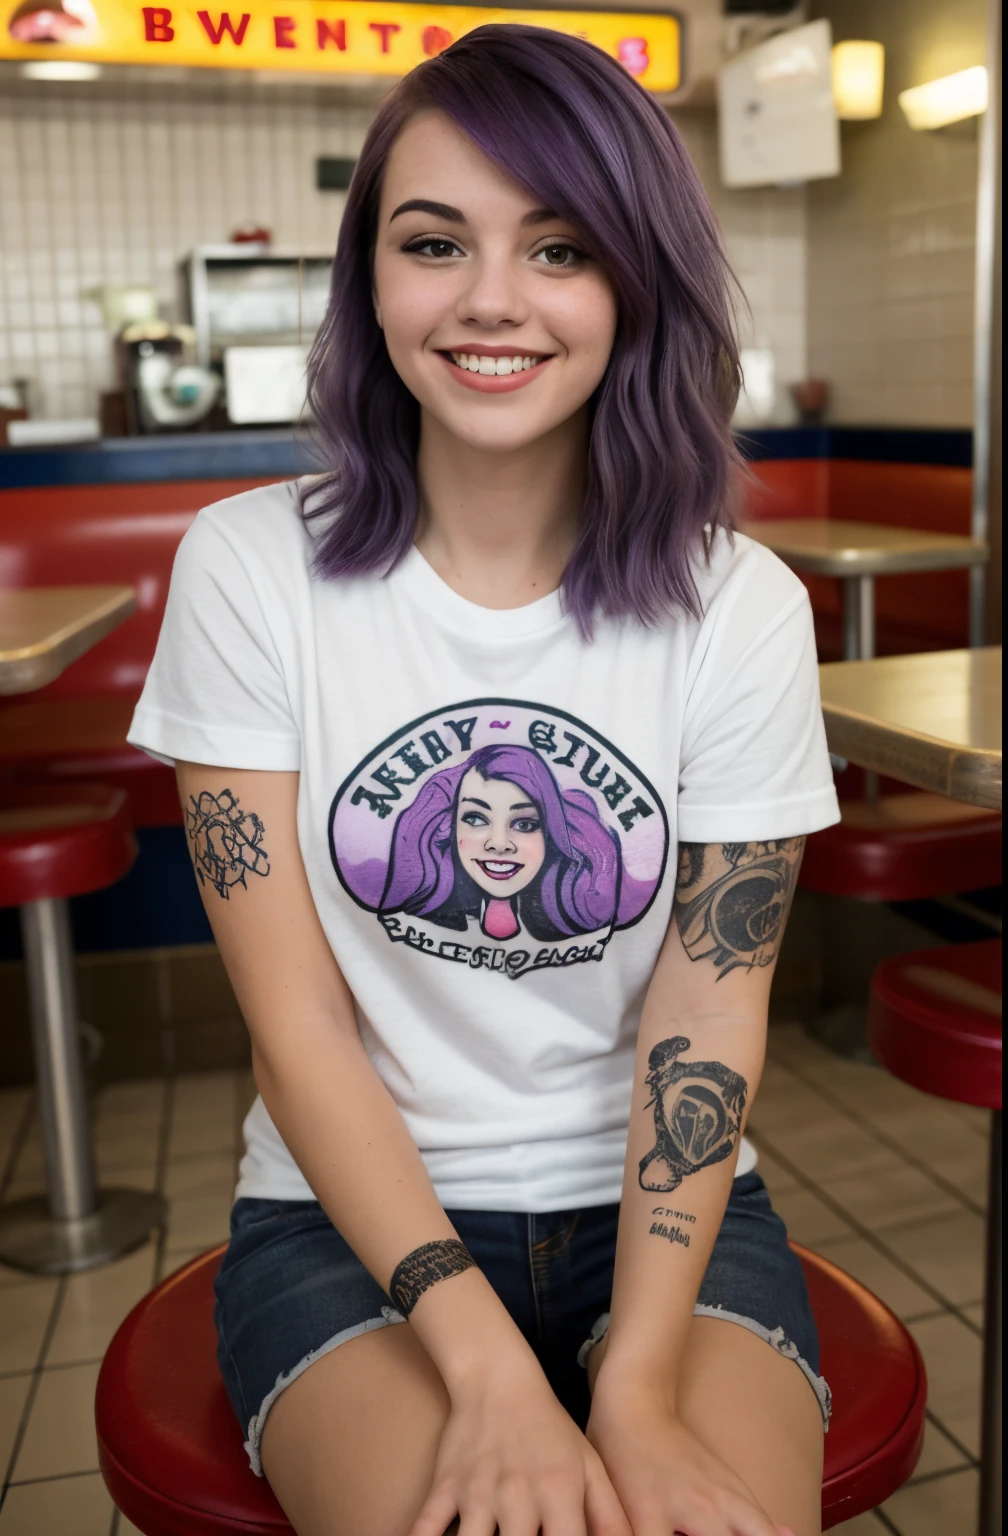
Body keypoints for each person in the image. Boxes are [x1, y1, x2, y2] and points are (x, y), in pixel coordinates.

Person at [129, 24, 840, 1536]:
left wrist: (633, 1379)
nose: (493, 300)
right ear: (369, 281)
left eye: (562, 246)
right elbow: (296, 1016)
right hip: (340, 1222)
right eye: (434, 242)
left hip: (673, 1231)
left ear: (634, 281)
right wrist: (486, 1364)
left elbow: (707, 1007)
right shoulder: (250, 573)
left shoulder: (744, 605)